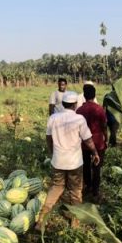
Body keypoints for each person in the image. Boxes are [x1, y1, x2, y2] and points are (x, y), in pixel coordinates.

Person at [38, 91, 99, 230]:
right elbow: (88, 140)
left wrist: (52, 151)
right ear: (75, 104)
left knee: (56, 188)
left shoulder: (53, 118)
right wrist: (95, 152)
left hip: (58, 161)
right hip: (74, 163)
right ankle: (75, 222)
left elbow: (48, 137)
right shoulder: (79, 119)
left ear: (64, 104)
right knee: (75, 191)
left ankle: (41, 219)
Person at [76, 84, 109, 203]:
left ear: (84, 96)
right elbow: (104, 126)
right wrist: (106, 138)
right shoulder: (99, 109)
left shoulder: (79, 110)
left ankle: (88, 186)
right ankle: (95, 191)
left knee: (85, 165)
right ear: (94, 95)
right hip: (98, 142)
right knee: (96, 166)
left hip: (84, 143)